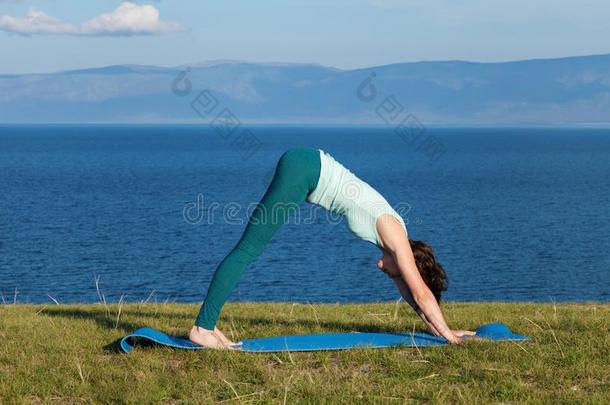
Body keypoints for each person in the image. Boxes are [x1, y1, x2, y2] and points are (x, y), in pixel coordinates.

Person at [189, 147, 474, 348]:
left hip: (307, 166)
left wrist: (440, 330)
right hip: (305, 170)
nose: (387, 273)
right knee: (247, 250)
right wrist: (451, 338)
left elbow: (414, 297)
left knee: (248, 249)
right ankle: (202, 328)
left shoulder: (394, 243)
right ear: (408, 265)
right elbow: (421, 293)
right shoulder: (397, 238)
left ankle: (209, 325)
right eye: (398, 274)